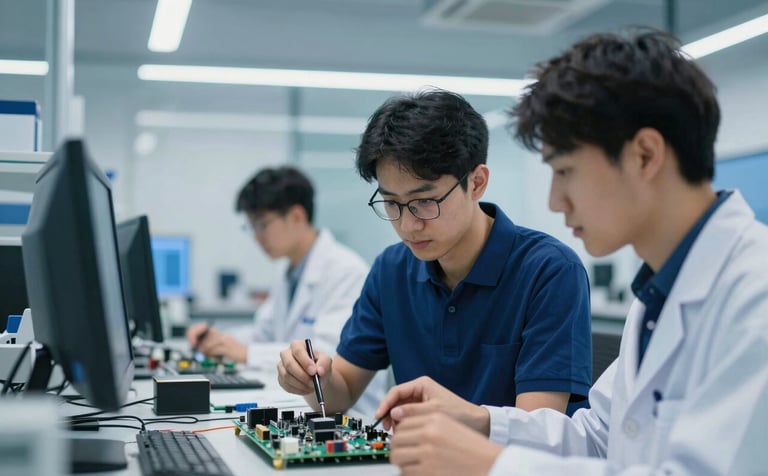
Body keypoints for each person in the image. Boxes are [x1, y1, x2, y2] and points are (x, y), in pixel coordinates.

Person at [374, 30, 768, 475]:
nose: (555, 201)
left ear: (644, 155)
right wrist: (479, 420)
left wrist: (493, 463)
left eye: (565, 171)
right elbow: (600, 437)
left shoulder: (755, 295)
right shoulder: (661, 295)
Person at [277, 90, 593, 416]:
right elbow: (340, 394)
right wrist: (313, 380)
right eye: (392, 203)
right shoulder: (391, 270)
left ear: (477, 182)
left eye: (425, 201)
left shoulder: (549, 271)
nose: (408, 225)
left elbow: (537, 428)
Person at [185, 166, 372, 388]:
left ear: (297, 217)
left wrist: (247, 353)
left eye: (261, 224)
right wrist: (218, 340)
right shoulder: (288, 270)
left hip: (342, 405)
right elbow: (263, 333)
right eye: (251, 226)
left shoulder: (346, 272)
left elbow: (327, 357)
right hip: (298, 397)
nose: (256, 236)